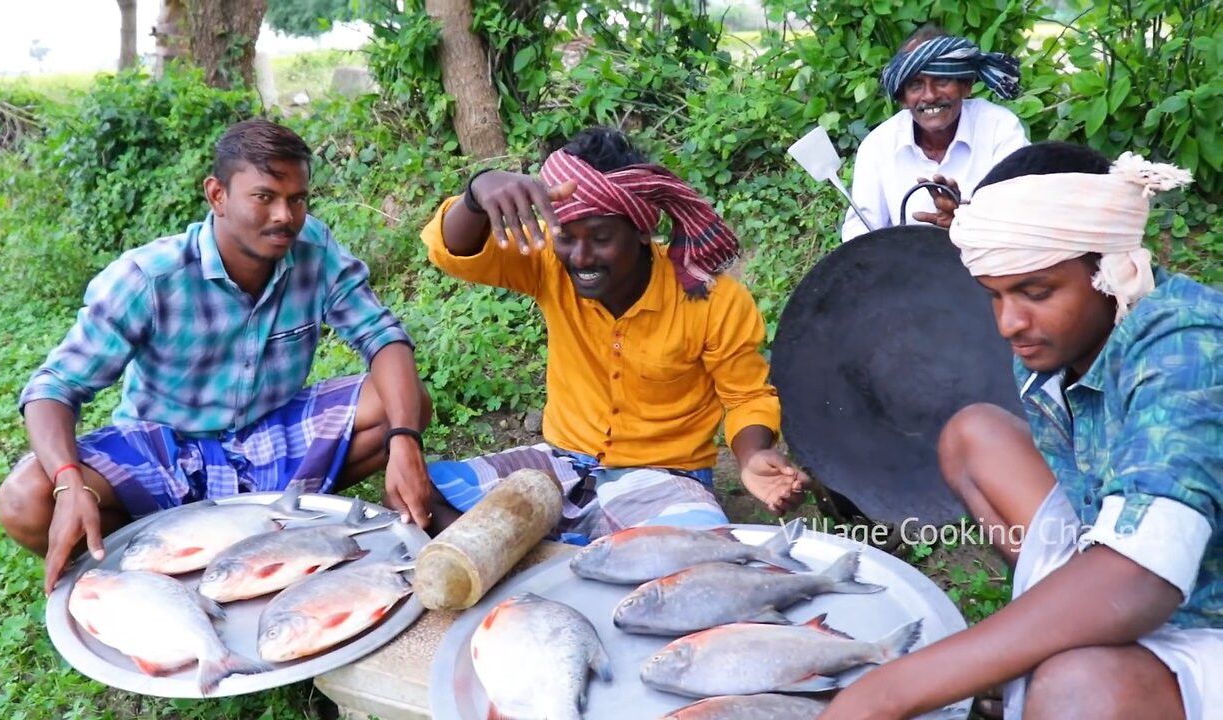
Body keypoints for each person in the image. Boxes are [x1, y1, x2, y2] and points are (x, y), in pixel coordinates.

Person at [818, 141, 1222, 720]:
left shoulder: (1188, 347)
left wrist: (889, 690)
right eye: (995, 296)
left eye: (1036, 292)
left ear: (1107, 268)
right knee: (972, 435)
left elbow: (1140, 579)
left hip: (1202, 608)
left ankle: (1086, 669)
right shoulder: (1055, 342)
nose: (1010, 323)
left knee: (1080, 687)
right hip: (1110, 540)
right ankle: (1052, 637)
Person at [0, 118, 434, 595]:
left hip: (268, 437)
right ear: (217, 195)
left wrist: (405, 441)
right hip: (164, 452)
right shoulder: (149, 277)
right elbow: (54, 387)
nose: (285, 216)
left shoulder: (314, 250)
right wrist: (67, 482)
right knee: (26, 499)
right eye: (264, 197)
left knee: (403, 404)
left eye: (297, 199)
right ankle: (156, 549)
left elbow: (382, 336)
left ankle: (265, 521)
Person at [420, 127, 807, 543]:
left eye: (602, 239)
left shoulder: (711, 299)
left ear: (642, 232)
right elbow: (453, 252)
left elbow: (747, 396)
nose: (582, 257)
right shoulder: (549, 266)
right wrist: (476, 194)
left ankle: (545, 556)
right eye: (567, 238)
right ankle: (548, 565)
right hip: (560, 465)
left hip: (662, 480)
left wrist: (752, 456)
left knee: (696, 552)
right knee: (418, 493)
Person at [840, 24, 1029, 242]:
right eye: (915, 85)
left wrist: (965, 223)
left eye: (942, 80)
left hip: (988, 265)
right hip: (906, 270)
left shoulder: (1000, 129)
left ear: (965, 86)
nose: (929, 96)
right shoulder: (879, 146)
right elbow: (860, 231)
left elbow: (1022, 217)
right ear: (902, 98)